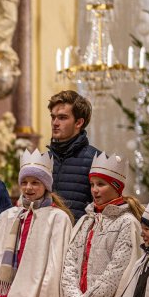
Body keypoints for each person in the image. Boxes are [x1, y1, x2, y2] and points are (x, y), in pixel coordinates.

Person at [0, 150, 74, 297]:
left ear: (46, 185)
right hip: (9, 296)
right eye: (24, 182)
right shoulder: (10, 215)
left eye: (35, 182)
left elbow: (57, 263)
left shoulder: (57, 218)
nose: (28, 188)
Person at [61, 153, 142, 297]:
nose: (94, 190)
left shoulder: (126, 223)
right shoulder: (86, 221)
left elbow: (115, 273)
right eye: (92, 184)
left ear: (116, 187)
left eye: (101, 184)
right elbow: (69, 264)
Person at [46, 90, 100, 221]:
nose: (55, 123)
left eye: (62, 117)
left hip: (78, 237)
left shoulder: (96, 160)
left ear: (78, 123)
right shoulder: (44, 159)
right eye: (53, 117)